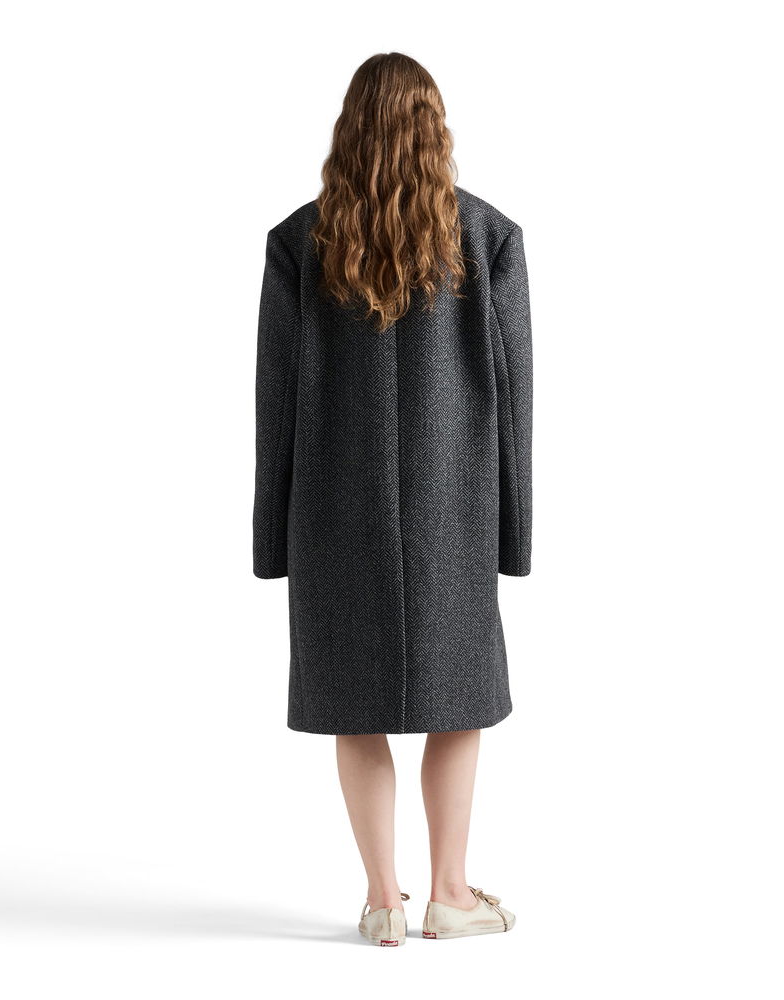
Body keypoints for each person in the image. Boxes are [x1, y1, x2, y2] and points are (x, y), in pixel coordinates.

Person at [252, 52, 532, 946]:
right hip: (456, 512)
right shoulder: (487, 237)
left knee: (355, 704)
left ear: (349, 129)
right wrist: (515, 532)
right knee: (460, 700)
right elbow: (514, 400)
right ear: (435, 129)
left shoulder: (299, 243)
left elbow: (274, 403)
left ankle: (382, 902)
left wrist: (272, 538)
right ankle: (449, 892)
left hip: (336, 513)